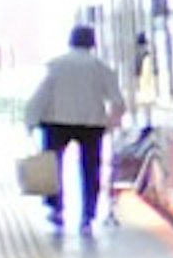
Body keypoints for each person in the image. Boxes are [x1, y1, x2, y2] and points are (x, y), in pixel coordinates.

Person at [27, 22, 130, 231]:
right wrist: (111, 123)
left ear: (71, 41)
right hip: (91, 125)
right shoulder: (101, 67)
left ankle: (56, 209)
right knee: (90, 169)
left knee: (53, 167)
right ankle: (88, 216)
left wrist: (31, 121)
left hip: (56, 124)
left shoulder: (56, 65)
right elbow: (118, 102)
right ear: (93, 42)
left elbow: (41, 96)